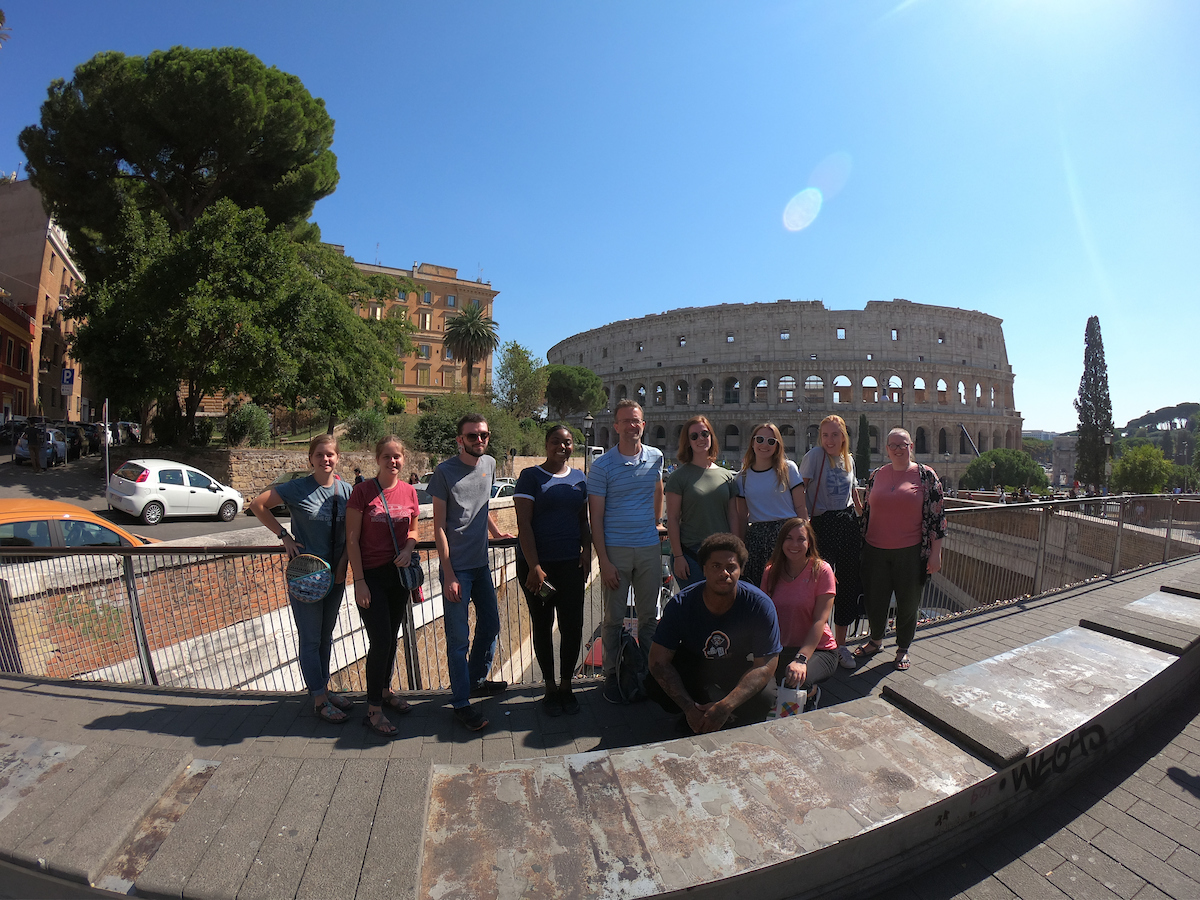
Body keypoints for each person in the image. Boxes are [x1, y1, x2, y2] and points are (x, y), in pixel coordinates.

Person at [249, 434, 354, 724]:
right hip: (307, 574)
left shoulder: (346, 491)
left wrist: (344, 566)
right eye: (319, 455)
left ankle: (324, 688)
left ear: (338, 458)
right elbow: (258, 505)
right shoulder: (298, 487)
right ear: (310, 459)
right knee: (310, 637)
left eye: (330, 454)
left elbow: (351, 534)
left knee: (326, 636)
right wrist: (284, 537)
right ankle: (319, 699)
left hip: (335, 575)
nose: (325, 459)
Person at [430, 414, 516, 731]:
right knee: (457, 639)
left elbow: (484, 506)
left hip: (481, 565)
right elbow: (438, 526)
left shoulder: (489, 464)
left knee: (491, 624)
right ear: (460, 440)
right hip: (458, 569)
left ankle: (477, 680)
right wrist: (449, 573)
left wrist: (495, 532)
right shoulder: (444, 472)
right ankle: (462, 702)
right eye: (472, 436)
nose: (479, 440)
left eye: (483, 435)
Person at [647, 533, 781, 732]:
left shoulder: (760, 605)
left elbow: (766, 665)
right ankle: (698, 712)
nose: (724, 573)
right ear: (704, 569)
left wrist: (725, 706)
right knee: (654, 684)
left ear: (741, 569)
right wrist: (689, 707)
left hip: (735, 664)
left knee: (767, 696)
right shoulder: (681, 604)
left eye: (731, 567)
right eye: (716, 566)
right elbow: (657, 661)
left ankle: (722, 714)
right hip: (695, 662)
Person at [587, 399, 665, 704]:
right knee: (613, 618)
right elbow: (596, 517)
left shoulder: (656, 457)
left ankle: (646, 672)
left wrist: (656, 523)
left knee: (650, 617)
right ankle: (611, 674)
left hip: (647, 547)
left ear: (643, 425)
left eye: (637, 421)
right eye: (626, 421)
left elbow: (658, 489)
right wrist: (603, 561)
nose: (633, 426)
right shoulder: (602, 465)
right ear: (616, 426)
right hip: (616, 550)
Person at [345, 435, 420, 737]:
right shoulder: (362, 492)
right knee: (380, 641)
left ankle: (385, 690)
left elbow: (413, 528)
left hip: (398, 576)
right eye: (387, 456)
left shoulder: (410, 491)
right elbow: (352, 539)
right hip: (371, 576)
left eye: (397, 456)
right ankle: (373, 710)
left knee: (392, 637)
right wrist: (359, 581)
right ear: (377, 459)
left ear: (404, 459)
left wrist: (409, 548)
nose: (393, 461)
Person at [514, 424, 590, 716]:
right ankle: (548, 686)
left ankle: (567, 686)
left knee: (572, 626)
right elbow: (524, 526)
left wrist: (586, 550)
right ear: (546, 444)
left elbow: (583, 522)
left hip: (571, 565)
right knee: (542, 624)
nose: (563, 446)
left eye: (568, 442)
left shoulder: (579, 479)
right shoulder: (530, 477)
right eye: (556, 441)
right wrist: (534, 566)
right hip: (538, 570)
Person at [856, 428, 946, 671]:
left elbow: (938, 517)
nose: (897, 449)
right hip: (875, 549)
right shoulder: (876, 475)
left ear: (911, 446)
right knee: (875, 600)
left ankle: (903, 648)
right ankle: (875, 640)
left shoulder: (926, 475)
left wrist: (936, 553)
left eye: (902, 444)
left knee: (908, 603)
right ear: (886, 448)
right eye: (893, 445)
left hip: (910, 550)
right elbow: (868, 511)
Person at [798, 415, 863, 669]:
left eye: (835, 434)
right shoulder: (814, 456)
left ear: (843, 436)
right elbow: (800, 491)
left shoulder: (849, 459)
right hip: (822, 525)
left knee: (847, 583)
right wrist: (802, 522)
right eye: (825, 435)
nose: (829, 440)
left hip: (847, 523)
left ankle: (842, 644)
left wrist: (863, 514)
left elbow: (853, 492)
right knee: (819, 587)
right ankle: (819, 642)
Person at [761, 518, 838, 711]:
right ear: (781, 542)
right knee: (763, 688)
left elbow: (820, 620)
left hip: (818, 649)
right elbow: (763, 617)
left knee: (793, 681)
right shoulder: (771, 572)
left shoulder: (821, 570)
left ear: (809, 543)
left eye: (800, 539)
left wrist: (802, 659)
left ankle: (810, 696)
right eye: (789, 538)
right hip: (781, 648)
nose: (794, 544)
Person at [666, 415, 738, 589]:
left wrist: (737, 552)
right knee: (697, 610)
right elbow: (673, 519)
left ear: (712, 437)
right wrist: (678, 557)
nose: (701, 439)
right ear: (687, 442)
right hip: (691, 554)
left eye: (705, 434)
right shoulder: (678, 477)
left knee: (722, 608)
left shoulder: (727, 475)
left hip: (723, 553)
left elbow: (733, 515)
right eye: (694, 436)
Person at [734, 422, 807, 590]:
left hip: (787, 536)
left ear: (777, 446)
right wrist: (739, 549)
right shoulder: (742, 478)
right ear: (752, 443)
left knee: (788, 590)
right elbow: (741, 518)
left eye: (771, 441)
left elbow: (801, 508)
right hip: (756, 540)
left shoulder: (788, 469)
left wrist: (805, 540)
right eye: (760, 439)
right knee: (759, 591)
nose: (764, 445)